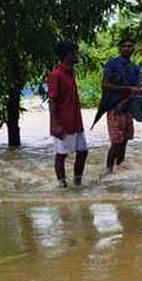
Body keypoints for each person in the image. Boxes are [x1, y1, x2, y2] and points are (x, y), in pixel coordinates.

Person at [48, 41, 87, 187]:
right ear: (67, 55)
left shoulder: (70, 73)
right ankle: (62, 185)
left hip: (76, 122)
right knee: (61, 155)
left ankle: (77, 183)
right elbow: (52, 101)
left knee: (83, 152)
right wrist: (56, 125)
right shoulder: (56, 75)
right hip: (64, 122)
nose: (77, 55)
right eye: (75, 52)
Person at [102, 38, 141, 173]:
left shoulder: (135, 68)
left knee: (124, 141)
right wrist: (127, 89)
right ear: (120, 48)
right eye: (124, 46)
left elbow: (138, 88)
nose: (127, 48)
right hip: (114, 108)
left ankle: (119, 170)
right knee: (116, 142)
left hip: (127, 109)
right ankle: (108, 170)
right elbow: (105, 85)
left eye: (130, 46)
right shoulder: (112, 64)